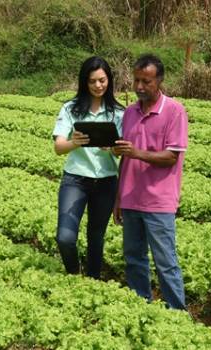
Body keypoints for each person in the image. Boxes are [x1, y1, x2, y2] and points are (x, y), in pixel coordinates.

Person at [112, 54, 188, 310]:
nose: (140, 86)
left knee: (165, 261)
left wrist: (137, 153)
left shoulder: (175, 111)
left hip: (158, 201)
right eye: (136, 80)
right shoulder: (130, 112)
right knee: (133, 258)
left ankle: (177, 314)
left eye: (146, 81)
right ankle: (141, 306)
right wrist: (119, 197)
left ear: (160, 81)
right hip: (131, 198)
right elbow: (125, 157)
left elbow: (171, 156)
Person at [52, 56, 125, 279]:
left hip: (106, 181)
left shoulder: (119, 113)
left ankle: (93, 279)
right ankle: (74, 273)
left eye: (102, 80)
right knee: (64, 236)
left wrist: (112, 147)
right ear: (85, 82)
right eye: (92, 81)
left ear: (109, 81)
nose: (98, 85)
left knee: (96, 236)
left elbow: (123, 151)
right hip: (76, 180)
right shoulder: (71, 109)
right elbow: (58, 147)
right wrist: (75, 142)